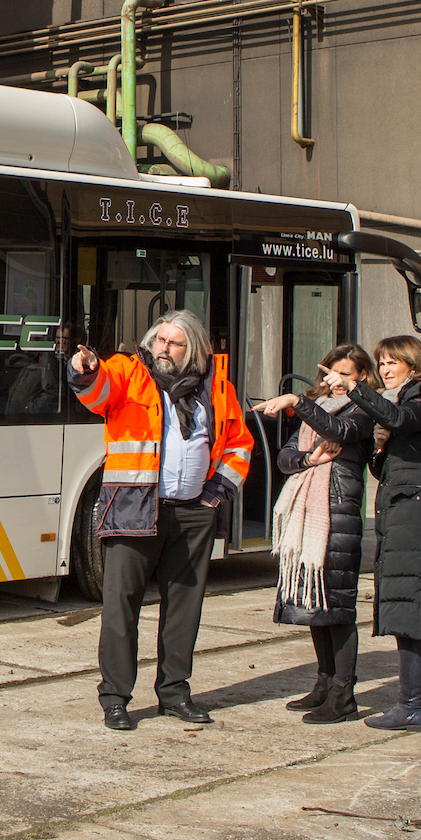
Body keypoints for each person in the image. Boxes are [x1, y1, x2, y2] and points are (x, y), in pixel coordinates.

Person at [67, 310, 254, 730]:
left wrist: (215, 494)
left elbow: (239, 444)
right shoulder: (130, 373)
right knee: (121, 608)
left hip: (192, 514)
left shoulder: (216, 386)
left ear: (195, 350)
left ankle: (174, 693)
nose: (163, 349)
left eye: (174, 343)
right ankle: (115, 698)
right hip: (135, 509)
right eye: (159, 341)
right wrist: (84, 370)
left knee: (184, 611)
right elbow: (96, 391)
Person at [331, 334, 421, 730]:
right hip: (406, 512)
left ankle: (409, 707)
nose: (385, 370)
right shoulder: (407, 402)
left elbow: (402, 420)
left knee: (412, 611)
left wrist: (356, 390)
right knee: (408, 607)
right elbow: (387, 468)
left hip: (420, 516)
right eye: (382, 363)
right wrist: (379, 447)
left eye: (392, 363)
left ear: (413, 364)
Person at [255, 344, 379, 725]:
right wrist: (310, 459)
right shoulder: (318, 410)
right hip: (307, 512)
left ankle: (344, 694)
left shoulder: (364, 409)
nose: (336, 382)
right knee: (316, 604)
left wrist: (295, 400)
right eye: (332, 374)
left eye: (346, 376)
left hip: (337, 513)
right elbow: (285, 458)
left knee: (337, 607)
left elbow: (339, 430)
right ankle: (325, 682)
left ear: (362, 378)